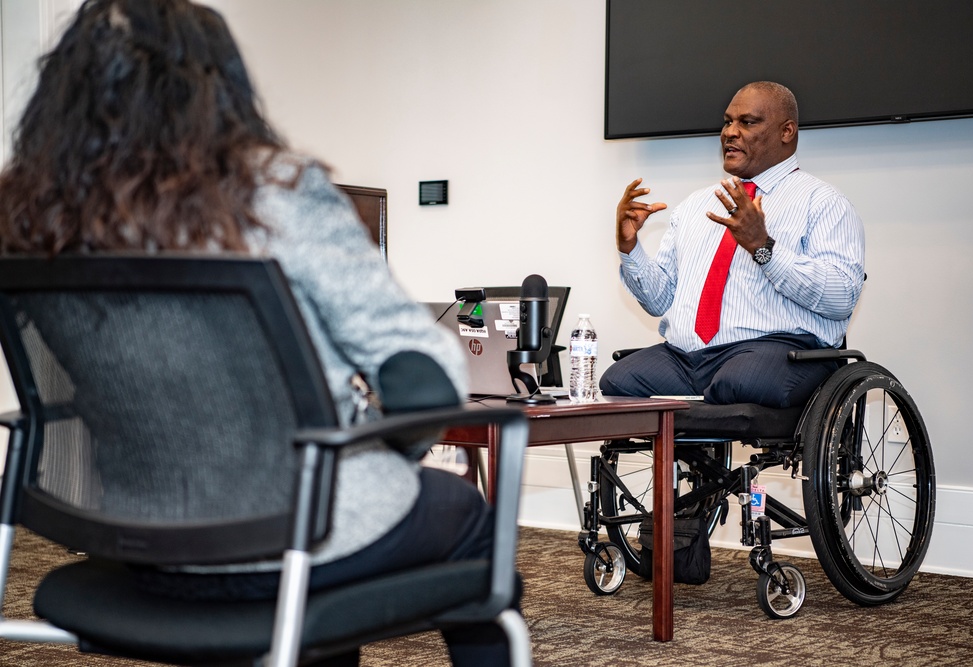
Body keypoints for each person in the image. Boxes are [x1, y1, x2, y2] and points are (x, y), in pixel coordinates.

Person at [0, 1, 516, 664]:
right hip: (295, 533)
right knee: (468, 512)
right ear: (220, 90)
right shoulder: (273, 192)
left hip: (137, 535)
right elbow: (426, 374)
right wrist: (389, 446)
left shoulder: (31, 222)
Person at [600, 81, 865, 408]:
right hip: (686, 359)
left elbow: (841, 298)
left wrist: (763, 247)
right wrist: (630, 248)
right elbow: (660, 301)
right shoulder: (695, 205)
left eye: (747, 122)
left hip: (779, 351)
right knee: (617, 382)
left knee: (737, 382)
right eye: (727, 122)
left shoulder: (823, 202)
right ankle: (681, 457)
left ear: (786, 132)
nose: (730, 132)